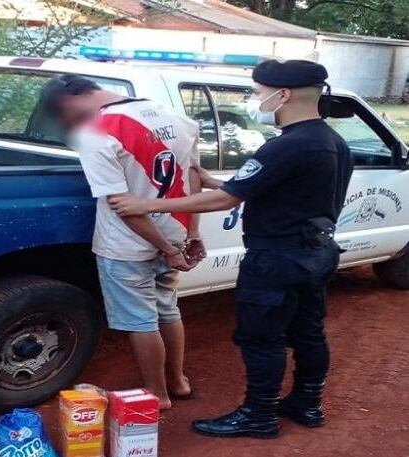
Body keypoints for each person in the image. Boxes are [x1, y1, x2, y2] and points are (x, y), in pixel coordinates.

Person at [110, 60, 354, 437]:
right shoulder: (331, 141)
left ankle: (259, 415)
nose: (256, 101)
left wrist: (148, 205)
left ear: (283, 94)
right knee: (308, 332)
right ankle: (308, 403)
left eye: (258, 93)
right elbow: (277, 189)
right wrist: (213, 180)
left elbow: (223, 201)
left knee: (262, 338)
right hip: (316, 253)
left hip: (276, 258)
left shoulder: (286, 146)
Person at [39, 75, 206, 410]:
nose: (69, 126)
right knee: (167, 310)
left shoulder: (95, 133)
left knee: (141, 320)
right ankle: (178, 382)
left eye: (65, 119)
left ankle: (158, 395)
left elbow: (122, 204)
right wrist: (190, 234)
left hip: (127, 244)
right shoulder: (175, 117)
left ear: (70, 103)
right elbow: (194, 178)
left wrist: (169, 249)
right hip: (174, 229)